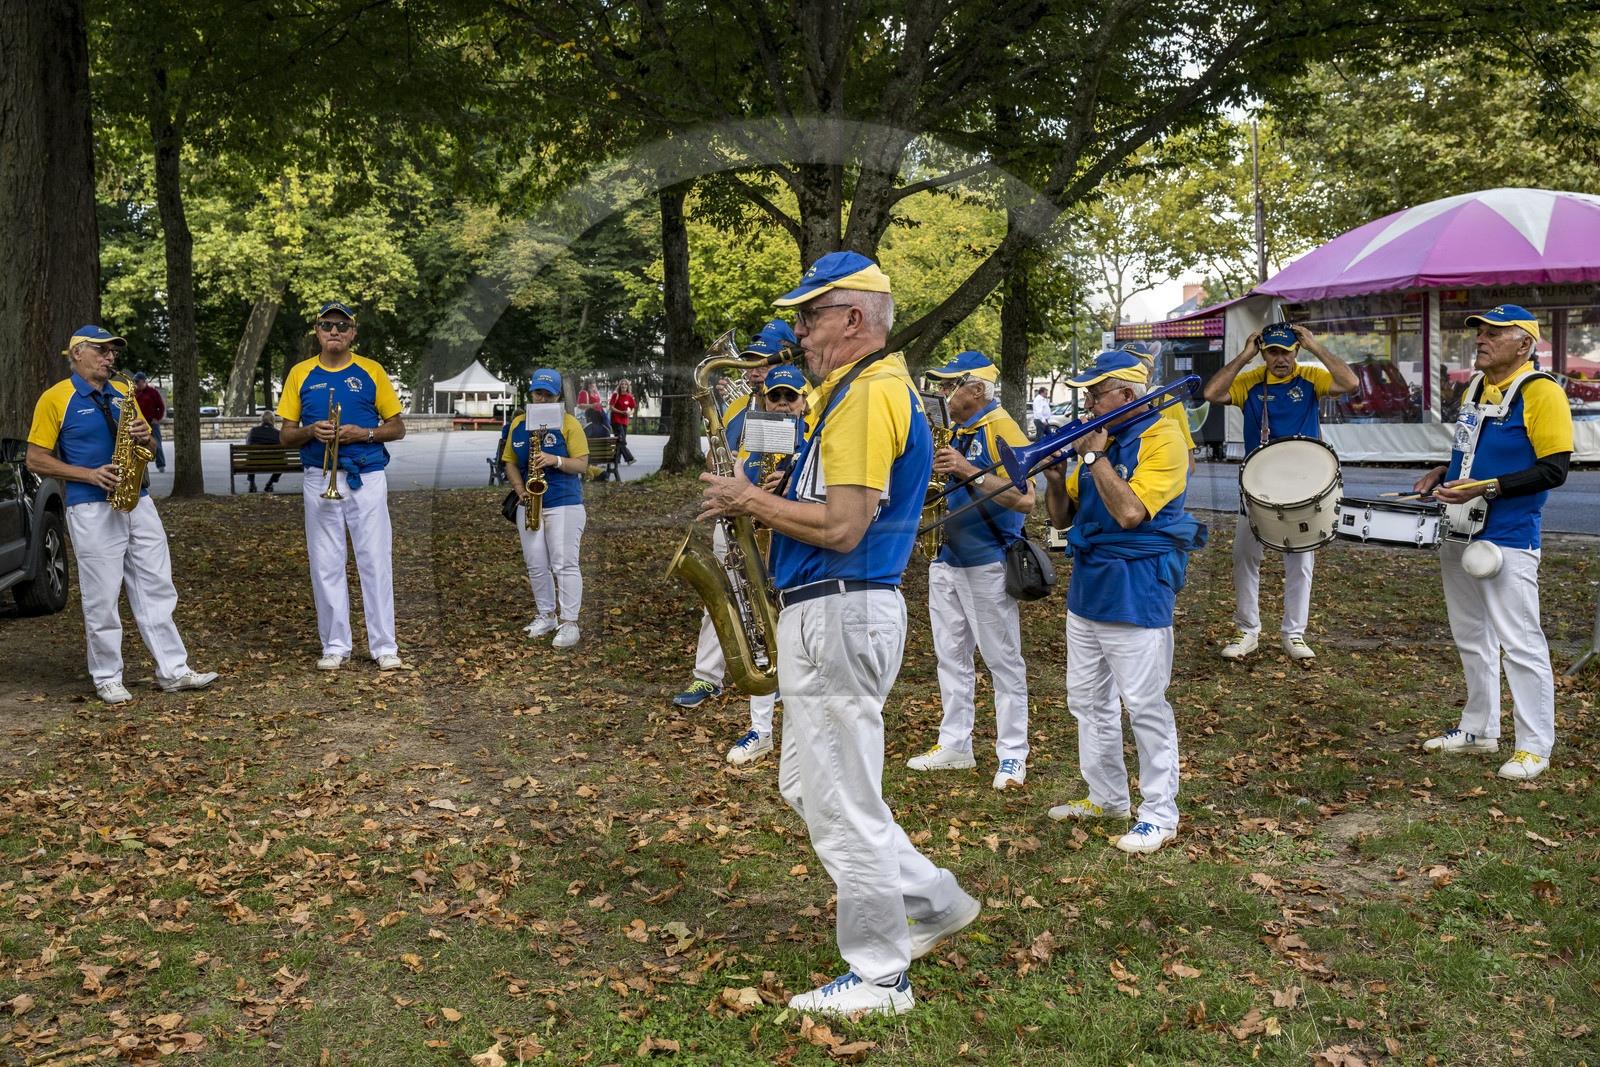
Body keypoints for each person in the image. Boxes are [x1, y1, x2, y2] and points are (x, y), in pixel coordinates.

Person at [699, 251, 979, 1018]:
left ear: (854, 319)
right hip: (836, 606)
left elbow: (846, 526)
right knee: (807, 785)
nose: (796, 330)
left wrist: (752, 499)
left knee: (844, 798)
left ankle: (883, 973)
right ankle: (931, 900)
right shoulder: (857, 392)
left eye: (809, 314)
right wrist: (781, 493)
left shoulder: (864, 395)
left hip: (840, 605)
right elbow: (843, 505)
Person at [1040, 351, 1205, 854]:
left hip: (1137, 590)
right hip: (1087, 588)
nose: (1087, 403)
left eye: (1094, 394)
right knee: (1087, 701)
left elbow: (1132, 512)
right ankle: (1107, 797)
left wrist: (1095, 456)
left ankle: (1160, 813)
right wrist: (1053, 479)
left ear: (1126, 397)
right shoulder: (1100, 441)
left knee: (1145, 705)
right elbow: (1064, 519)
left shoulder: (1165, 439)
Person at [1415, 305, 1572, 781]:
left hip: (1507, 537)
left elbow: (1555, 469)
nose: (1480, 339)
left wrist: (1488, 488)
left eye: (1494, 333)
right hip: (1461, 528)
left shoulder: (1541, 392)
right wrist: (1445, 471)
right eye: (1480, 332)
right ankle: (1480, 728)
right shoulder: (1477, 387)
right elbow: (1469, 450)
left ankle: (1534, 746)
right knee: (1471, 637)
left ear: (1524, 345)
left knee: (1520, 643)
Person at [25, 326, 217, 704]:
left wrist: (146, 438)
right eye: (101, 350)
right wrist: (89, 474)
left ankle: (174, 671)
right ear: (77, 352)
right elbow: (35, 458)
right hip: (91, 505)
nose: (110, 356)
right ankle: (107, 676)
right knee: (102, 595)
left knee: (157, 586)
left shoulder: (124, 392)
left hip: (137, 499)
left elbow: (146, 443)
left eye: (113, 350)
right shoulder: (55, 398)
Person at [904, 350, 1034, 790]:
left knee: (1002, 660)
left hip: (988, 561)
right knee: (950, 657)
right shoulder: (954, 428)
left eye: (948, 386)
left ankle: (1013, 754)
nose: (940, 394)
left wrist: (968, 469)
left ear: (976, 390)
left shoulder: (1003, 428)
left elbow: (1026, 498)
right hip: (946, 558)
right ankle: (956, 744)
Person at [1201, 322, 1356, 661]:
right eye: (1272, 351)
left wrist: (1315, 347)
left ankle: (1294, 634)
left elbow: (1350, 383)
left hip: (1303, 486)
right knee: (1245, 556)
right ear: (1264, 353)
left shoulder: (1310, 376)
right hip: (1257, 487)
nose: (1280, 358)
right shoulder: (1250, 381)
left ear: (1296, 350)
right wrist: (1244, 356)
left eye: (1287, 350)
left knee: (1300, 560)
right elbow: (1212, 394)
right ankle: (1247, 630)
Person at [671, 321, 802, 711]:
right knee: (725, 594)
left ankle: (780, 669)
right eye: (747, 362)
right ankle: (707, 677)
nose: (752, 370)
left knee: (782, 595)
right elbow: (718, 454)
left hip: (782, 515)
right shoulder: (737, 405)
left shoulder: (805, 399)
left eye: (761, 361)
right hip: (736, 516)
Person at [276, 302, 407, 672]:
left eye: (341, 325)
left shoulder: (372, 370)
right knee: (325, 563)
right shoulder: (300, 373)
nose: (334, 331)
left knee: (375, 559)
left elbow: (397, 427)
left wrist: (364, 433)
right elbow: (286, 435)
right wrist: (309, 431)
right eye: (326, 325)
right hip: (319, 476)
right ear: (317, 332)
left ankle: (384, 645)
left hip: (365, 476)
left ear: (352, 332)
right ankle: (335, 645)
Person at [718, 363, 809, 766]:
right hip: (755, 555)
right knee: (760, 641)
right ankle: (761, 729)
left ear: (805, 402)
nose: (784, 404)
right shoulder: (750, 445)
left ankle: (798, 729)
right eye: (776, 396)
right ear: (764, 400)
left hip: (800, 560)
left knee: (800, 649)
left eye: (792, 396)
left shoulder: (816, 443)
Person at [504, 369, 590, 649]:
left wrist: (554, 460)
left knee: (564, 564)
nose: (541, 399)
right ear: (530, 393)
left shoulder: (569, 423)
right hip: (529, 503)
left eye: (548, 394)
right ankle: (546, 616)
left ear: (557, 396)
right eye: (537, 393)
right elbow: (510, 462)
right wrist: (520, 491)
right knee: (536, 565)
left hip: (565, 502)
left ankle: (569, 622)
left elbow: (582, 464)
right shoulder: (517, 424)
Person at [1121, 341, 1197, 473]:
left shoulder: (1170, 403)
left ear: (1150, 373)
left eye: (1134, 369)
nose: (1126, 374)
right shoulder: (1112, 403)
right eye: (1121, 369)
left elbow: (1189, 464)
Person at [131, 372, 167, 473]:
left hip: (151, 422)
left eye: (137, 381)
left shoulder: (152, 392)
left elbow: (161, 406)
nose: (136, 383)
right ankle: (141, 467)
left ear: (144, 381)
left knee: (157, 444)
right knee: (138, 444)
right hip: (140, 422)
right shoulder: (135, 392)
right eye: (135, 381)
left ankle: (161, 465)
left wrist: (157, 418)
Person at [245, 411, 284, 492]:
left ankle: (252, 483)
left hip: (254, 462)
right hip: (274, 463)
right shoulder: (278, 433)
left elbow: (248, 445)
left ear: (262, 420)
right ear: (273, 420)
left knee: (250, 458)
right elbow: (282, 450)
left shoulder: (253, 431)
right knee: (283, 461)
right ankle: (269, 483)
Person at [608, 378, 638, 464]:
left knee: (619, 441)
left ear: (628, 386)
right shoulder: (615, 395)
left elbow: (633, 408)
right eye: (622, 384)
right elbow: (611, 407)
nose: (623, 386)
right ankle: (629, 458)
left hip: (624, 421)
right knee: (622, 441)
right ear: (619, 386)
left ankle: (616, 460)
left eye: (625, 384)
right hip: (616, 420)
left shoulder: (629, 397)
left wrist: (629, 413)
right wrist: (621, 412)